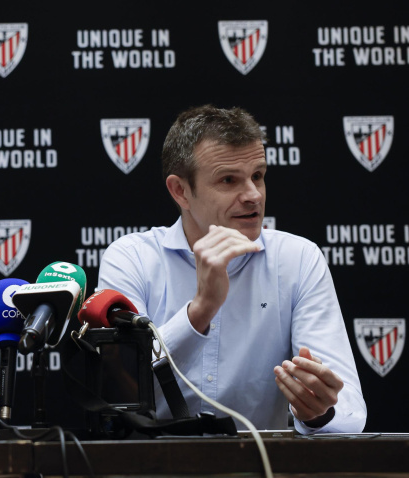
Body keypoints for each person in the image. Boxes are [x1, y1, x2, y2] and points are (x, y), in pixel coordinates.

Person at [97, 105, 366, 434]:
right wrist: (200, 311)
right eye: (229, 180)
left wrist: (319, 413)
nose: (253, 195)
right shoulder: (131, 259)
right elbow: (121, 390)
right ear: (180, 191)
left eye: (258, 176)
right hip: (154, 464)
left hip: (260, 465)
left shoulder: (298, 260)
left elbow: (349, 413)